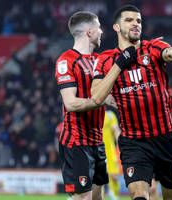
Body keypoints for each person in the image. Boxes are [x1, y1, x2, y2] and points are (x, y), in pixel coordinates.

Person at [90, 5, 172, 200]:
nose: (136, 24)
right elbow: (96, 96)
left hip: (165, 137)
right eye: (129, 20)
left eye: (139, 21)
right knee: (139, 195)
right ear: (116, 27)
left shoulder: (152, 48)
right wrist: (120, 64)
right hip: (134, 141)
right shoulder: (105, 60)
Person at [55, 11, 115, 200]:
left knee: (98, 197)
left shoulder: (98, 61)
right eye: (98, 28)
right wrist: (98, 100)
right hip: (77, 142)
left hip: (97, 143)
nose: (102, 32)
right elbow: (70, 103)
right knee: (83, 198)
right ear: (89, 32)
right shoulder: (66, 60)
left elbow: (104, 95)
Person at [103, 108, 121, 200]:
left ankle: (115, 194)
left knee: (114, 176)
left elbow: (116, 130)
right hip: (97, 149)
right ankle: (108, 194)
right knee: (98, 177)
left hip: (110, 150)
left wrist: (120, 143)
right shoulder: (93, 114)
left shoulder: (110, 115)